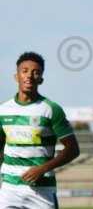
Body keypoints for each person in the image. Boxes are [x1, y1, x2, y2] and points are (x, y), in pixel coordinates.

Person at [0, 52, 80, 209]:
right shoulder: (3, 110)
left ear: (41, 79)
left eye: (35, 72)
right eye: (24, 71)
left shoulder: (51, 109)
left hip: (41, 192)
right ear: (16, 76)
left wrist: (43, 168)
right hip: (9, 191)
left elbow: (73, 150)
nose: (29, 75)